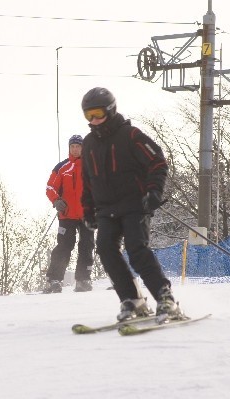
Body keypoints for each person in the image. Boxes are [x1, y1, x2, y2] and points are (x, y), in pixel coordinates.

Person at [79, 87, 182, 321]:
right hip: (106, 209)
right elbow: (87, 180)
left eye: (97, 113)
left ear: (110, 110)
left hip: (134, 204)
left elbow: (157, 161)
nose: (94, 120)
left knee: (136, 250)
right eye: (88, 116)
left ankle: (165, 299)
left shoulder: (130, 135)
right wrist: (88, 210)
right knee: (105, 249)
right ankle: (132, 299)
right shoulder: (88, 144)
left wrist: (154, 191)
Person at [43, 134, 95, 293]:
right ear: (69, 148)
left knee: (87, 246)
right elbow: (50, 187)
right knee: (64, 247)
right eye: (72, 146)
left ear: (83, 148)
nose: (75, 149)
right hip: (67, 215)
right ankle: (54, 280)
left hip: (87, 215)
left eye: (78, 146)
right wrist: (56, 200)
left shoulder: (92, 167)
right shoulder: (62, 167)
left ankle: (83, 280)